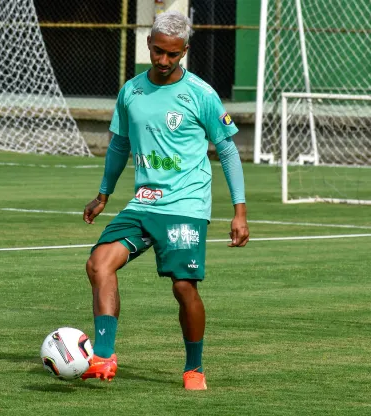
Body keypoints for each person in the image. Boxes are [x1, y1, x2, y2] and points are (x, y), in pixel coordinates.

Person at [81, 10, 249, 390]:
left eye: (172, 54)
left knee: (183, 287)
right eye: (158, 51)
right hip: (143, 203)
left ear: (184, 51)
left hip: (185, 205)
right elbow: (120, 144)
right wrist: (103, 193)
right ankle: (104, 357)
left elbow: (227, 150)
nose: (163, 60)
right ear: (148, 45)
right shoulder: (132, 91)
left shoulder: (201, 94)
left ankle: (194, 368)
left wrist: (239, 211)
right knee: (98, 264)